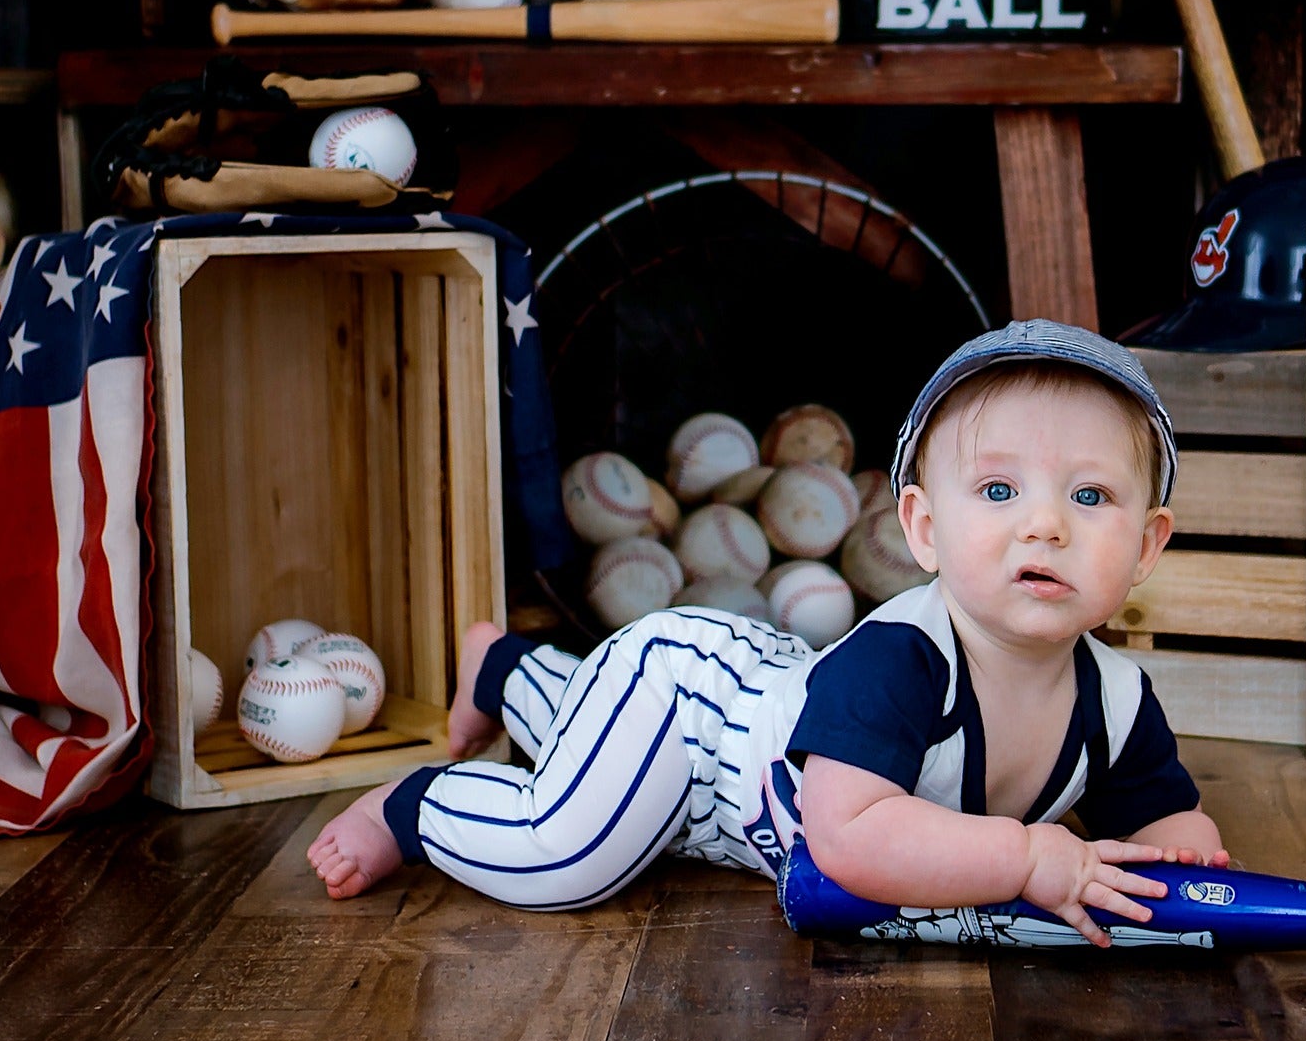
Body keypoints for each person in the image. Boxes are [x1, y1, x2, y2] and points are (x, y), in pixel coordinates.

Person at [308, 319, 1228, 944]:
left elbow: (1152, 814)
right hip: (686, 716)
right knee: (570, 855)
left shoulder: (1115, 696)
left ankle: (507, 670)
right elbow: (851, 838)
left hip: (759, 702)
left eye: (1090, 495)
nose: (1045, 524)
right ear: (923, 529)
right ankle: (411, 805)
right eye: (998, 490)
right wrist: (1029, 853)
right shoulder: (903, 660)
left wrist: (1191, 851)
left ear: (1147, 545)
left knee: (594, 750)